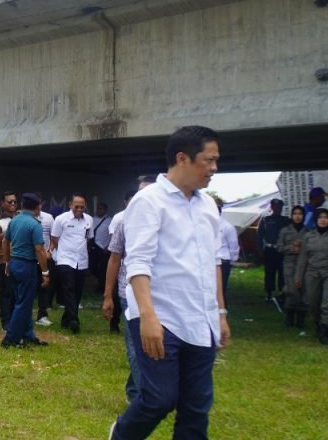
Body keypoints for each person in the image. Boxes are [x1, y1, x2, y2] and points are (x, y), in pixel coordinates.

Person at [110, 126, 230, 439]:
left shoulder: (207, 206)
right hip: (161, 317)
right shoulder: (149, 202)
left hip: (200, 318)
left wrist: (220, 312)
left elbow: (213, 261)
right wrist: (148, 318)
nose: (215, 168)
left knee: (197, 405)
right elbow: (137, 262)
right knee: (159, 398)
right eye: (209, 160)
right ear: (182, 158)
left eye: (217, 160)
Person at [102, 177, 154, 404]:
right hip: (128, 291)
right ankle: (142, 396)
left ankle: (135, 388)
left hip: (158, 292)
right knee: (136, 345)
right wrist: (107, 295)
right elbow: (114, 259)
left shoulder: (166, 220)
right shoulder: (124, 222)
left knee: (152, 345)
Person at [0, 192, 50, 348]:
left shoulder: (14, 221)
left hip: (14, 263)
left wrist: (7, 261)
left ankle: (28, 335)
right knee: (23, 304)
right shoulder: (34, 224)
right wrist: (45, 273)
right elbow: (40, 250)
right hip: (27, 266)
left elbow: (5, 242)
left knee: (23, 302)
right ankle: (11, 338)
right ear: (37, 206)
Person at [294, 208, 328, 345]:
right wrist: (298, 276)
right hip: (312, 273)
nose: (323, 220)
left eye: (326, 217)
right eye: (320, 217)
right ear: (316, 219)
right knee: (313, 302)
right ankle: (319, 324)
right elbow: (303, 258)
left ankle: (325, 331)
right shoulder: (308, 236)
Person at [51, 194, 92, 334]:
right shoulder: (61, 219)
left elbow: (88, 238)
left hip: (82, 260)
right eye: (77, 206)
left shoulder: (89, 220)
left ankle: (66, 319)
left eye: (82, 206)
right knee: (69, 288)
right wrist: (63, 250)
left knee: (78, 290)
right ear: (70, 205)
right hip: (65, 259)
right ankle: (74, 319)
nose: (79, 209)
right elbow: (55, 238)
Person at [279, 205, 309, 329]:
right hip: (289, 263)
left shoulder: (308, 232)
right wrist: (291, 248)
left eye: (300, 214)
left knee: (303, 290)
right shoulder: (285, 231)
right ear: (291, 216)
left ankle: (301, 318)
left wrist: (302, 248)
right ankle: (290, 316)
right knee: (291, 290)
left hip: (304, 264)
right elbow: (279, 247)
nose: (297, 216)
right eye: (295, 214)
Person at [0, 191, 18, 329]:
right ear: (3, 204)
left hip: (21, 259)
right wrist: (12, 227)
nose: (13, 204)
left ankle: (16, 319)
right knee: (6, 291)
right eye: (10, 202)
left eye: (15, 201)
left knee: (18, 291)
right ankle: (5, 321)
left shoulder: (20, 217)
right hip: (5, 260)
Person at [258, 198, 289, 305]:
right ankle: (269, 293)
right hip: (270, 250)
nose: (277, 209)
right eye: (274, 207)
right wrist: (260, 249)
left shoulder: (286, 220)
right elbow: (260, 236)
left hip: (282, 250)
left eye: (279, 207)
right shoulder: (265, 220)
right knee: (269, 272)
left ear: (281, 208)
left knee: (282, 272)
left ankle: (282, 292)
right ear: (271, 207)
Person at [215, 197, 240, 306]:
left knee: (221, 288)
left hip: (222, 260)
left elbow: (233, 246)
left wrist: (232, 261)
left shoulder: (227, 226)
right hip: (208, 260)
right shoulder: (204, 224)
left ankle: (222, 312)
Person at [35, 203, 55, 327]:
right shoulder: (23, 217)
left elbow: (54, 237)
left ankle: (42, 315)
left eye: (39, 204)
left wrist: (49, 251)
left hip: (44, 257)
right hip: (29, 258)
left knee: (44, 286)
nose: (38, 207)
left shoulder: (48, 218)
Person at [91, 202, 112, 296]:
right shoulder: (92, 219)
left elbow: (113, 235)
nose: (99, 210)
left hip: (104, 248)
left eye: (101, 209)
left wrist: (108, 247)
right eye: (98, 209)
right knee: (92, 268)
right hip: (94, 246)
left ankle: (101, 287)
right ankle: (100, 282)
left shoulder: (110, 220)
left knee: (103, 269)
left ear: (105, 210)